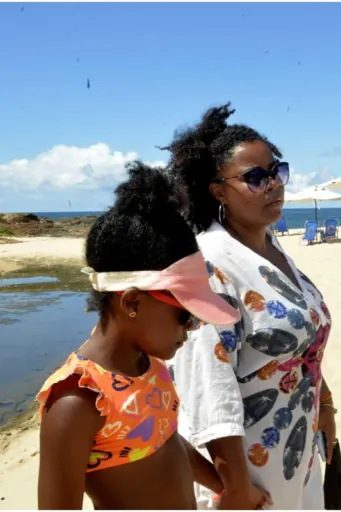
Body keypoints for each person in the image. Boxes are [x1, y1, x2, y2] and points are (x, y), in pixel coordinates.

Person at [36, 162, 248, 509]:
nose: (192, 329)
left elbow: (167, 441)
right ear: (132, 301)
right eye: (186, 315)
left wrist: (227, 486)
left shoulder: (150, 366)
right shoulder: (77, 400)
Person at [163, 103, 336, 510]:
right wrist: (236, 487)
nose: (273, 185)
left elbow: (302, 342)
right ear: (218, 191)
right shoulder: (210, 264)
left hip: (297, 449)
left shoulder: (271, 247)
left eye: (276, 172)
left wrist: (325, 404)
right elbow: (208, 384)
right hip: (247, 472)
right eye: (255, 178)